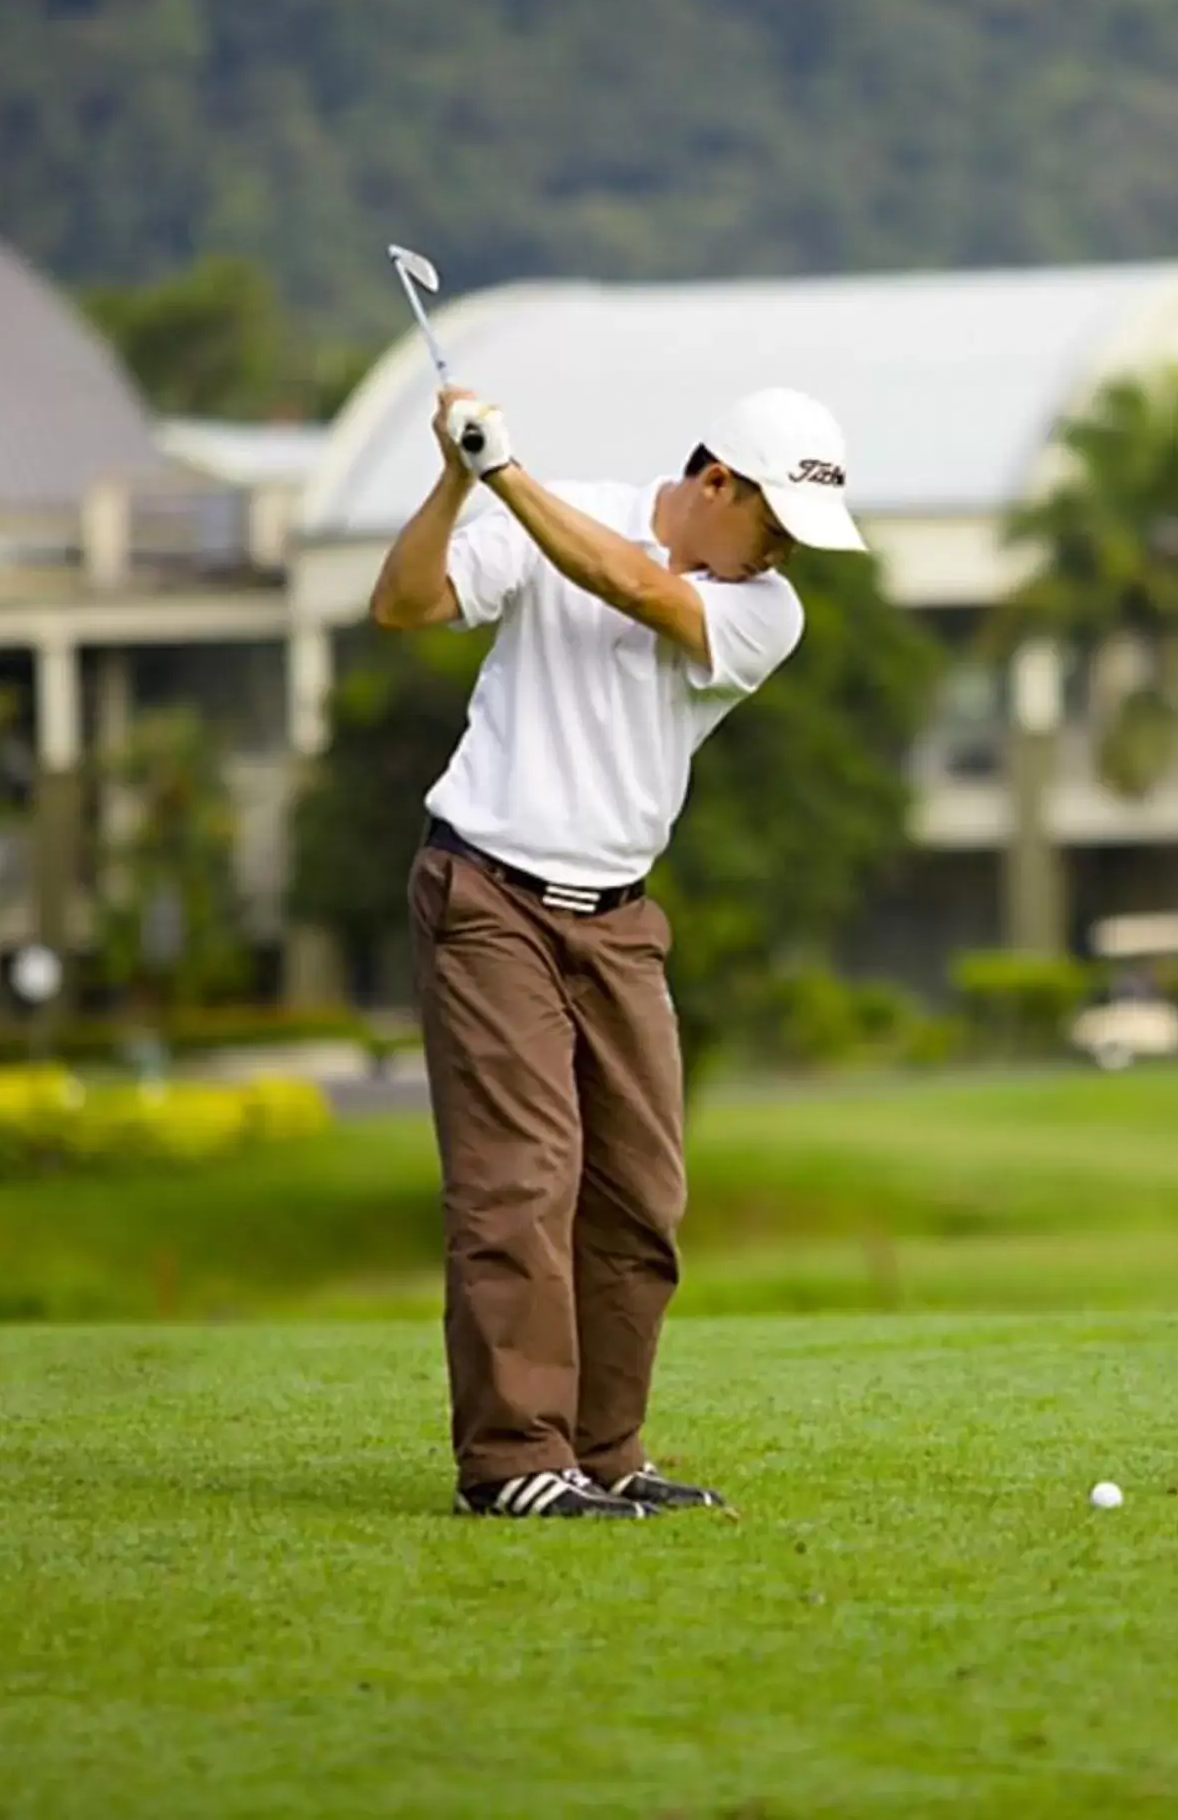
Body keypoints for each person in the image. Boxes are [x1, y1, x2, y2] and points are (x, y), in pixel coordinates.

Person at [367, 380, 867, 1519]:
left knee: (641, 1189)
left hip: (620, 917)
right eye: (775, 523)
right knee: (520, 1180)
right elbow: (403, 603)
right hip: (488, 892)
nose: (783, 553)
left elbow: (630, 581)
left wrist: (504, 475)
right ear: (714, 482)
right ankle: (512, 1461)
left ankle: (602, 1451)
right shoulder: (555, 511)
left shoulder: (764, 612)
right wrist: (458, 478)